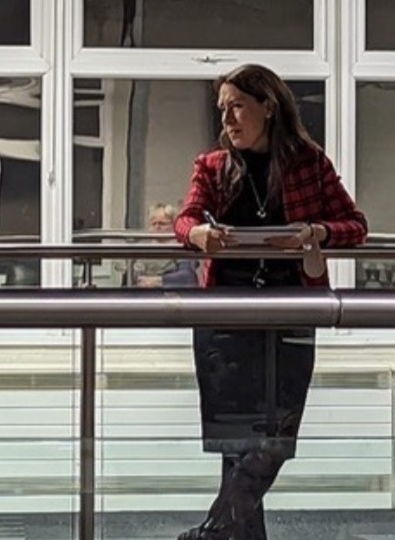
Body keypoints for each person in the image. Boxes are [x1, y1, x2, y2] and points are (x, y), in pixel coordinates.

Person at [173, 63, 367, 539]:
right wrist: (199, 234)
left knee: (276, 438)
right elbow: (185, 220)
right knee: (235, 445)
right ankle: (232, 534)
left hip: (290, 313)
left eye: (237, 106)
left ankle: (216, 529)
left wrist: (316, 232)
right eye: (223, 109)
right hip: (225, 316)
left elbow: (355, 226)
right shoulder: (214, 166)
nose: (228, 120)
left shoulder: (307, 163)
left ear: (268, 106)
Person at [126, 203, 199, 288]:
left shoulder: (181, 248)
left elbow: (188, 278)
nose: (157, 227)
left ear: (174, 225)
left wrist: (158, 281)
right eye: (154, 224)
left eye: (162, 223)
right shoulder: (141, 248)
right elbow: (129, 279)